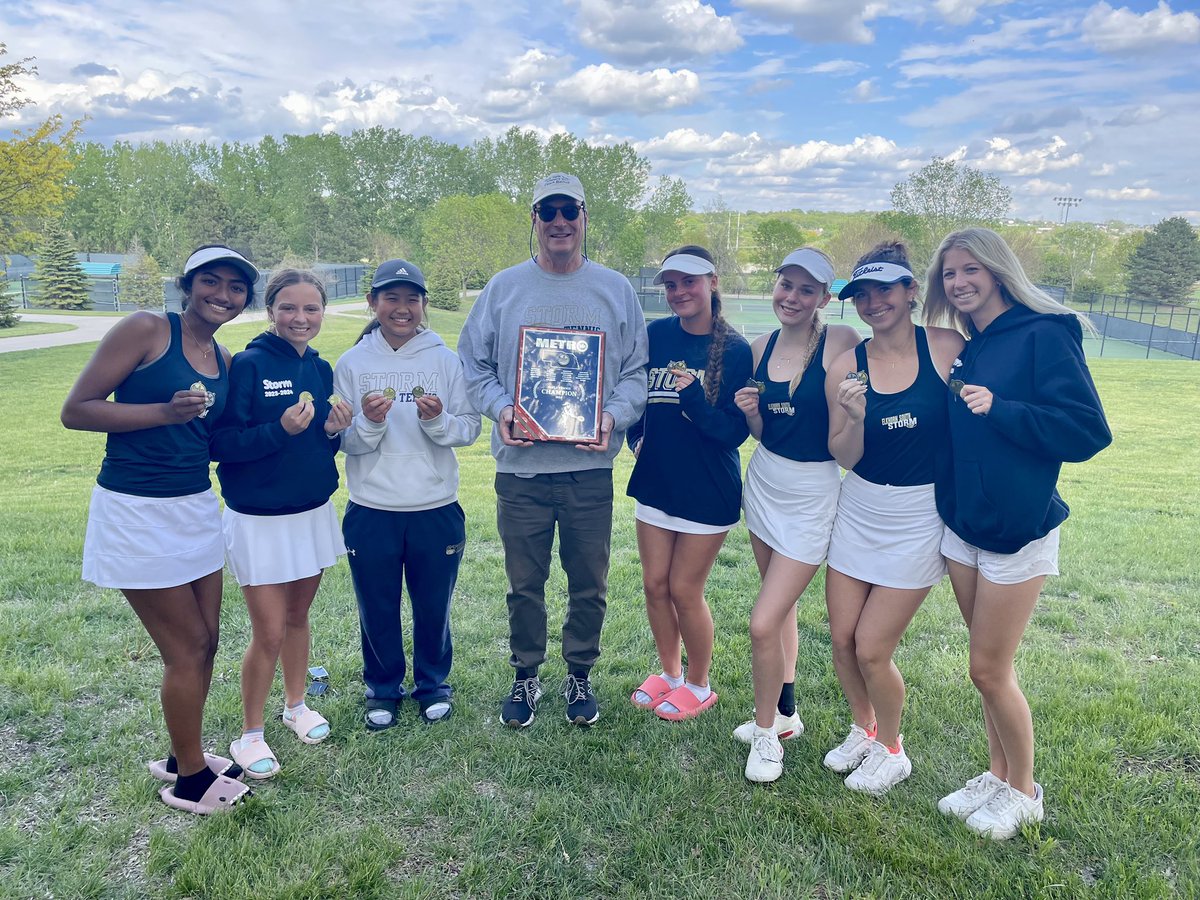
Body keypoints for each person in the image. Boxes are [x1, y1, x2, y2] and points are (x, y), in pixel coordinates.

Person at [924, 228, 1111, 838]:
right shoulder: (971, 344)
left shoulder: (1045, 334)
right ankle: (997, 776)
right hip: (963, 526)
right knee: (984, 668)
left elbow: (1087, 432)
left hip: (1018, 530)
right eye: (950, 274)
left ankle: (1024, 791)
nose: (960, 283)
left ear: (999, 271)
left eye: (971, 269)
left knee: (988, 668)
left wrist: (1001, 408)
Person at [61, 244, 257, 815]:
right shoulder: (148, 330)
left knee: (208, 643)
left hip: (195, 507)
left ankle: (182, 753)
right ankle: (191, 781)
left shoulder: (221, 356)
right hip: (135, 511)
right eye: (211, 283)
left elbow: (211, 439)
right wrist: (162, 412)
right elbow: (77, 409)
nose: (223, 295)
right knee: (187, 646)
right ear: (187, 286)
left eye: (236, 288)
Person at [458, 173, 648, 728]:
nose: (560, 221)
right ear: (534, 220)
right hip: (522, 470)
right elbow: (473, 363)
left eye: (570, 210)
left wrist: (611, 415)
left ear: (586, 218)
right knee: (525, 583)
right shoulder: (503, 288)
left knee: (589, 582)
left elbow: (635, 371)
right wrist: (501, 409)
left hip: (589, 470)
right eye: (549, 211)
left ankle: (580, 672)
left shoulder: (615, 289)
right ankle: (525, 674)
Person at [822, 241, 965, 795]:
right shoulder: (847, 365)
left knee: (872, 647)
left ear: (910, 292)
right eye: (862, 294)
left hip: (919, 515)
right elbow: (843, 455)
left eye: (886, 289)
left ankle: (893, 749)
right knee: (840, 638)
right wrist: (854, 417)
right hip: (859, 507)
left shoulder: (948, 347)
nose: (874, 302)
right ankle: (864, 726)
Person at [210, 269, 350, 778]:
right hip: (258, 519)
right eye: (288, 307)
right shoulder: (247, 365)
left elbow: (317, 446)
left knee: (297, 618)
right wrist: (278, 430)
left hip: (311, 514)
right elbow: (220, 445)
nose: (300, 318)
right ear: (270, 311)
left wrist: (333, 433)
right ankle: (249, 734)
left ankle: (295, 707)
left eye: (311, 309)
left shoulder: (321, 368)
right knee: (267, 631)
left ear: (322, 313)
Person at [730, 248, 860, 782]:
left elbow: (838, 433)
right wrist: (754, 415)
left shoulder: (842, 343)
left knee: (762, 621)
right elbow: (766, 434)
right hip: (763, 484)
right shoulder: (758, 348)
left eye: (807, 290)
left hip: (813, 493)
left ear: (824, 299)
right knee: (777, 612)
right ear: (775, 286)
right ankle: (785, 714)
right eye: (787, 285)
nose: (793, 297)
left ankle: (765, 739)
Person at [333, 260, 480, 729]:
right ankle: (382, 687)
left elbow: (469, 429)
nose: (402, 308)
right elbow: (344, 442)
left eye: (411, 298)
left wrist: (436, 420)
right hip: (371, 508)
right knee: (376, 605)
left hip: (434, 508)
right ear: (372, 303)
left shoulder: (444, 359)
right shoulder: (353, 363)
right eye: (391, 298)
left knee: (433, 605)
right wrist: (371, 423)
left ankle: (433, 684)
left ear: (423, 305)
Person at [625, 245, 753, 723]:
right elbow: (634, 396)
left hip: (707, 490)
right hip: (656, 482)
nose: (679, 292)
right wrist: (635, 438)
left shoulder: (735, 350)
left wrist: (694, 398)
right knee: (655, 585)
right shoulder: (655, 334)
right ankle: (671, 676)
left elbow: (732, 433)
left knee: (684, 589)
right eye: (671, 284)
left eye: (689, 282)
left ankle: (699, 684)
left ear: (712, 282)